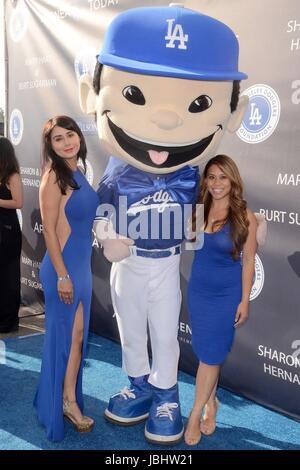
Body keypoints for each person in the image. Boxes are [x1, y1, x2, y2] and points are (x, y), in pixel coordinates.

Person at [79, 5, 266, 445]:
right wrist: (105, 237)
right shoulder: (117, 168)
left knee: (164, 331)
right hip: (128, 264)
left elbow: (215, 212)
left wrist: (252, 226)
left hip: (165, 264)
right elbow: (100, 211)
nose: (163, 122)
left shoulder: (190, 176)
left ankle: (167, 395)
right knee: (130, 326)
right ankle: (139, 384)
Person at [34, 116, 99, 441]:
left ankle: (65, 397)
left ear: (78, 137)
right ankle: (65, 403)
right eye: (57, 139)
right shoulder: (53, 179)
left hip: (81, 268)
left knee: (76, 339)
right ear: (51, 147)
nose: (66, 142)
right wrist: (62, 276)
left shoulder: (79, 173)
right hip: (63, 269)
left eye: (69, 135)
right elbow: (49, 230)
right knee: (64, 339)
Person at [184, 154, 257, 446]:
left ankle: (194, 414)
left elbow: (249, 261)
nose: (217, 183)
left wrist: (245, 301)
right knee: (205, 354)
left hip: (226, 296)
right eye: (211, 177)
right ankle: (212, 404)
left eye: (222, 177)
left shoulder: (244, 216)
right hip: (198, 291)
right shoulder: (199, 211)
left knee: (211, 356)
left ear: (233, 180)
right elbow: (192, 247)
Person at [0, 137, 23, 333]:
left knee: (9, 276)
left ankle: (8, 321)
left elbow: (18, 202)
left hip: (7, 232)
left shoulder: (12, 175)